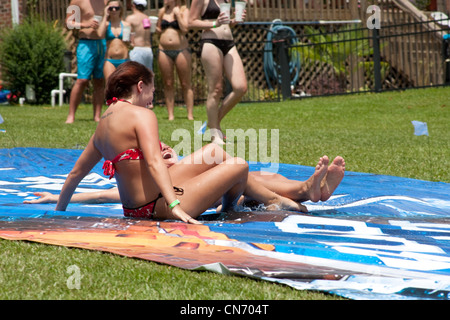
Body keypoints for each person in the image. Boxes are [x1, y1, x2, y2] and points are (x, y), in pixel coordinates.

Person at [53, 61, 311, 224]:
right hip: (157, 206)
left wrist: (58, 211)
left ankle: (274, 198)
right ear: (140, 86)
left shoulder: (104, 124)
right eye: (151, 93)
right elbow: (154, 163)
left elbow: (76, 173)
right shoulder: (141, 115)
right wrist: (174, 206)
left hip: (139, 207)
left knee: (214, 152)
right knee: (239, 166)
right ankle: (232, 210)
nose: (152, 100)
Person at [26, 141, 346, 211]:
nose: (166, 151)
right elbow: (98, 195)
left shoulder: (188, 167)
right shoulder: (150, 185)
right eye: (160, 154)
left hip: (223, 192)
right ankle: (298, 192)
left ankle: (306, 189)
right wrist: (56, 196)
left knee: (253, 173)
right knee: (241, 170)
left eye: (169, 150)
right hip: (207, 200)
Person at [189, 0, 247, 144]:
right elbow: (190, 22)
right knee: (216, 89)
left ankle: (212, 122)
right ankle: (214, 132)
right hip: (210, 41)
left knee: (241, 87)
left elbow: (225, 22)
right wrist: (215, 23)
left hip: (229, 42)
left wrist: (233, 21)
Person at [65, 0, 107, 124]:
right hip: (86, 43)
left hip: (101, 43)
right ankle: (71, 116)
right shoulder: (77, 1)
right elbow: (68, 23)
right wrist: (86, 24)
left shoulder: (105, 2)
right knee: (82, 80)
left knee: (99, 80)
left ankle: (97, 116)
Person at [157, 0, 194, 120]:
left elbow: (185, 29)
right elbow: (158, 29)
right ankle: (171, 115)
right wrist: (158, 20)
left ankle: (189, 115)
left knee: (185, 83)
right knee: (168, 83)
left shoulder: (184, 11)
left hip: (181, 50)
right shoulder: (162, 11)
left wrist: (178, 16)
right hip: (163, 50)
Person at [97, 1, 131, 80]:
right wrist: (105, 16)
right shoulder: (106, 24)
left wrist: (130, 42)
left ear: (120, 10)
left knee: (124, 87)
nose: (114, 10)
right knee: (110, 85)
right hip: (109, 60)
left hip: (124, 59)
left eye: (117, 8)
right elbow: (99, 34)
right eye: (111, 8)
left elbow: (130, 43)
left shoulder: (126, 25)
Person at [126, 0, 154, 71]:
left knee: (136, 75)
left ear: (133, 5)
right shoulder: (147, 18)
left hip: (137, 49)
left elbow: (126, 35)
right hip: (148, 50)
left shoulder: (130, 18)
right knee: (147, 77)